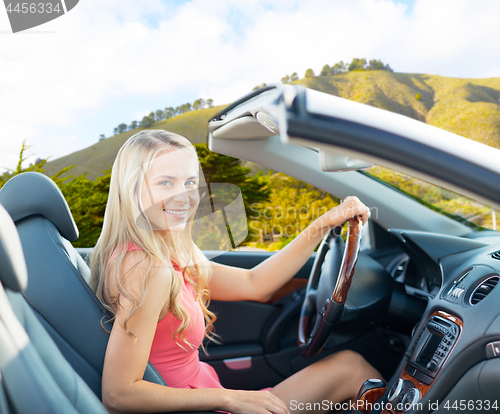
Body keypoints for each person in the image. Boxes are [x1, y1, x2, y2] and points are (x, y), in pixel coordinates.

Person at [89, 129, 382, 414]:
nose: (184, 197)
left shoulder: (167, 254)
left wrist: (325, 222)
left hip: (206, 399)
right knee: (351, 369)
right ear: (133, 190)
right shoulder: (148, 270)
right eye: (166, 183)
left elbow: (255, 283)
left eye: (190, 183)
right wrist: (230, 399)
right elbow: (119, 394)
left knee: (350, 367)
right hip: (204, 406)